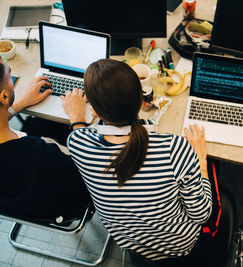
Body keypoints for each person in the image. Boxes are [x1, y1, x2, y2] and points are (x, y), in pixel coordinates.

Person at [61, 59, 213, 264]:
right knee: (214, 169)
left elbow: (79, 133)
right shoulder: (175, 149)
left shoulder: (77, 143)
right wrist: (200, 159)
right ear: (142, 101)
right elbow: (202, 215)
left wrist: (76, 118)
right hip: (180, 246)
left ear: (95, 112)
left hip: (131, 243)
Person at [0, 57, 89, 221]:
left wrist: (17, 105)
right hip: (69, 205)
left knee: (37, 124)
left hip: (13, 204)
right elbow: (88, 171)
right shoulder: (40, 155)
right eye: (9, 75)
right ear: (4, 97)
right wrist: (77, 119)